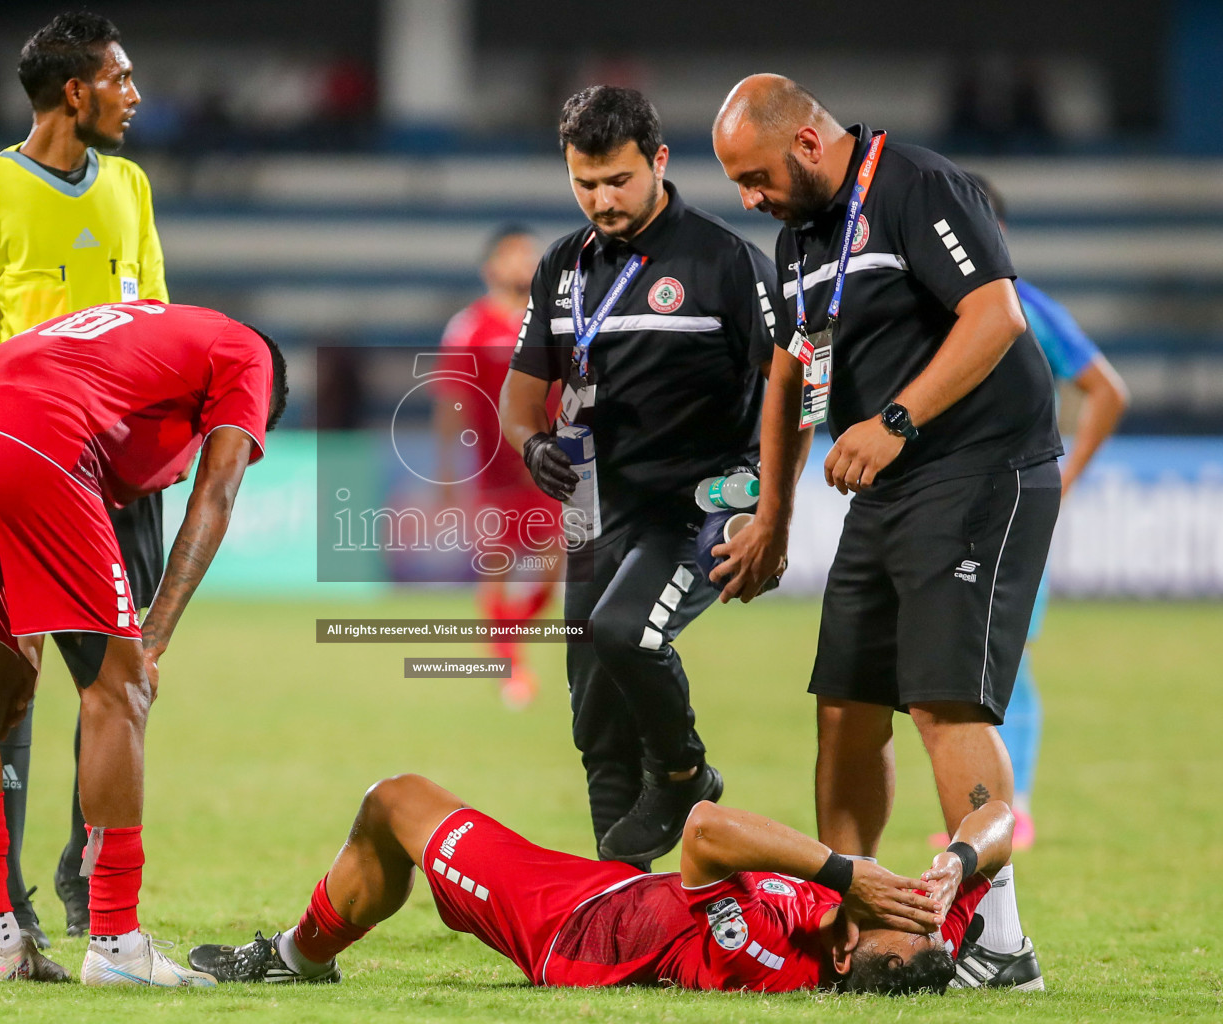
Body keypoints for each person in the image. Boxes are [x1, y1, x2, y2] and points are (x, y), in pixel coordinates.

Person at [709, 75, 1062, 990]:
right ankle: (851, 916)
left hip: (980, 467)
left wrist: (895, 420)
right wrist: (772, 520)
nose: (750, 199)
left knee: (945, 703)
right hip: (889, 491)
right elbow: (789, 376)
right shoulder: (798, 241)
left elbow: (995, 316)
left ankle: (1001, 939)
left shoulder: (917, 184)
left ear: (809, 146)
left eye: (755, 177)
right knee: (847, 710)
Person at [0, 300, 288, 984]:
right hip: (29, 442)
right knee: (120, 689)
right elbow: (216, 494)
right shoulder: (249, 355)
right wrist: (154, 636)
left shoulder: (135, 329)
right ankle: (115, 944)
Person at [0, 10, 168, 946]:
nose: (136, 95)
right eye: (122, 79)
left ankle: (89, 893)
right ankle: (3, 924)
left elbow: (154, 335)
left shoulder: (129, 186)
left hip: (117, 482)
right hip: (14, 472)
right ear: (75, 91)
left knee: (122, 690)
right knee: (1, 692)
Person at [498, 86, 785, 868]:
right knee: (595, 720)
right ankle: (616, 899)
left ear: (659, 161)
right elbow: (520, 401)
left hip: (697, 507)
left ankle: (686, 777)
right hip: (597, 516)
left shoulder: (725, 262)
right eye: (584, 184)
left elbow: (794, 392)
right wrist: (531, 447)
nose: (602, 200)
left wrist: (769, 505)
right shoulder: (563, 266)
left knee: (628, 631)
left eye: (618, 180)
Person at [186, 773, 1012, 995]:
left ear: (840, 960)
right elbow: (999, 817)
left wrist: (848, 872)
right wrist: (954, 873)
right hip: (617, 892)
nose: (892, 895)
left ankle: (298, 959)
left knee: (394, 802)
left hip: (567, 929)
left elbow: (705, 828)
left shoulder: (758, 955)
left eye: (886, 910)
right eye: (911, 904)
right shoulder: (901, 937)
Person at [923, 175, 1129, 850]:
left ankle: (1018, 806)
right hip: (945, 501)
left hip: (1011, 501)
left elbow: (1106, 390)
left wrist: (1065, 478)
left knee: (1006, 658)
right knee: (950, 663)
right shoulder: (927, 309)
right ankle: (979, 810)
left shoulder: (1025, 308)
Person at [434, 224, 558, 709]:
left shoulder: (550, 323)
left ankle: (509, 643)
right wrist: (446, 472)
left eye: (529, 256)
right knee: (498, 570)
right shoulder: (470, 327)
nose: (523, 264)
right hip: (493, 473)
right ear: (491, 267)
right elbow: (450, 402)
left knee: (552, 570)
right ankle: (509, 667)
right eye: (513, 256)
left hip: (546, 467)